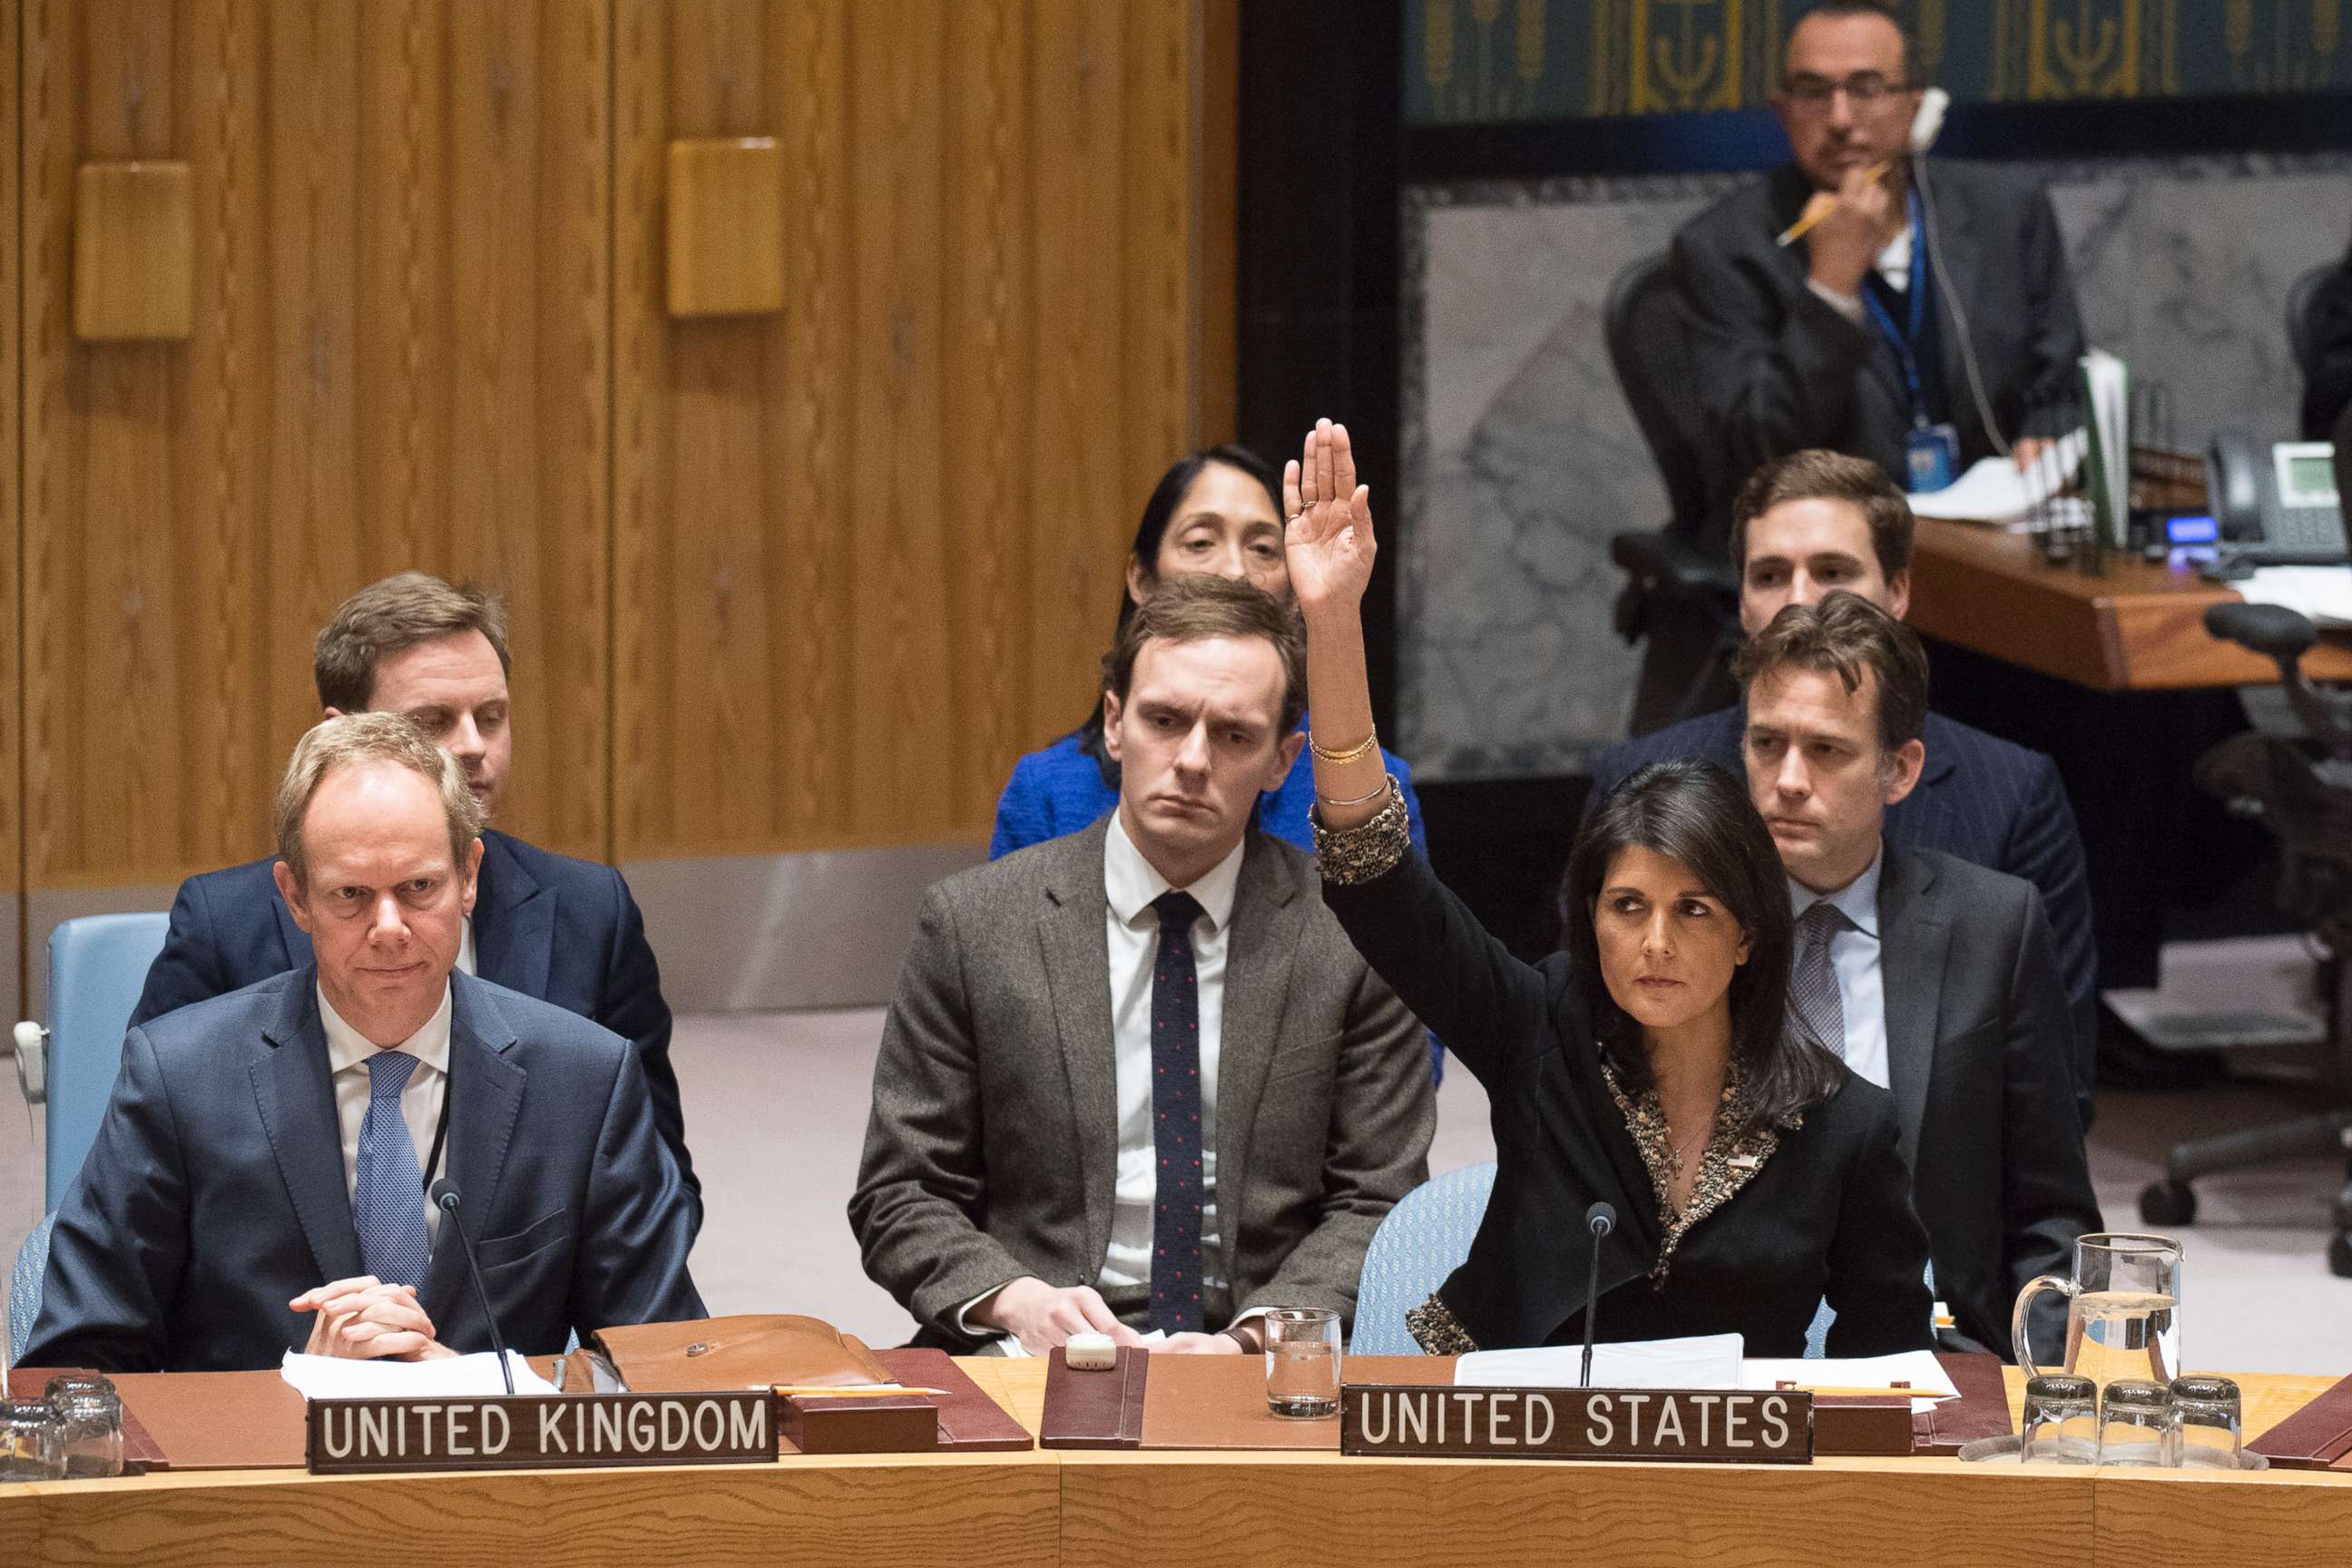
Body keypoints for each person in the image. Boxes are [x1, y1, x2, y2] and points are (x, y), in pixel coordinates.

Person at [1286, 418, 1929, 1356]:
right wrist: (1334, 623)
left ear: (1750, 930)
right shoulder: (1540, 1029)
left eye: (1693, 910)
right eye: (1627, 907)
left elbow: (1889, 1381)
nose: (1655, 943)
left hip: (1727, 1484)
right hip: (1508, 1451)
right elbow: (1377, 878)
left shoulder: (1846, 1124)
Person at [853, 573, 1435, 1355]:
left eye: (1233, 735)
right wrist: (1018, 1301)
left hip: (1259, 1346)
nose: (1192, 760)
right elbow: (904, 1190)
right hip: (1029, 1346)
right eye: (1165, 720)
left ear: (1281, 759)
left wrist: (1258, 1336)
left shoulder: (1353, 937)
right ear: (1115, 723)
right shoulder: (974, 924)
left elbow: (1379, 1200)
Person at [24, 714, 701, 1372]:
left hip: (493, 1475)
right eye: (350, 894)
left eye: (419, 888)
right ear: (295, 897)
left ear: (469, 877)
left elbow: (667, 1366)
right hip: (259, 1479)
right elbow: (76, 1366)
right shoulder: (178, 1076)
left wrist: (465, 1387)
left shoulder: (583, 1079)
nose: (389, 928)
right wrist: (306, 1389)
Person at [130, 571, 698, 1223]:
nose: (473, 747)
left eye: (491, 717)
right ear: (344, 735)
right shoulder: (223, 924)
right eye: (432, 722)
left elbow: (659, 1185)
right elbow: (144, 1188)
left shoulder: (591, 910)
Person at [1592, 450, 2098, 1125]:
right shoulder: (1643, 784)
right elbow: (1590, 1056)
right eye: (1771, 575)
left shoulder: (2010, 793)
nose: (1801, 600)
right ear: (1742, 603)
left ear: (1898, 593)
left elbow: (2055, 1099)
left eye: (1832, 571)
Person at [1736, 592, 2100, 1357]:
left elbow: (2051, 1215)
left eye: (1827, 750)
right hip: (1729, 1361)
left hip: (1939, 1355)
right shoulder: (1686, 926)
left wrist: (2036, 1383)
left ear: (1900, 770)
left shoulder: (1992, 927)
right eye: (1767, 745)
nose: (1789, 779)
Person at [1669, 2, 2084, 512]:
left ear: (1915, 104)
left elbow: (2064, 391)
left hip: (1993, 540)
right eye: (1813, 92)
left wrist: (2047, 442)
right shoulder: (1724, 248)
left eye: (1867, 88)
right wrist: (1830, 290)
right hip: (1828, 554)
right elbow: (1754, 452)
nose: (1840, 119)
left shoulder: (2008, 212)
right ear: (1782, 110)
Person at [990, 446, 1426, 858]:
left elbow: (1398, 937)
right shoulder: (1046, 791)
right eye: (1200, 542)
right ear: (1141, 579)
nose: (1234, 571)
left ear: (1294, 595)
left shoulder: (1368, 787)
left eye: (1263, 549)